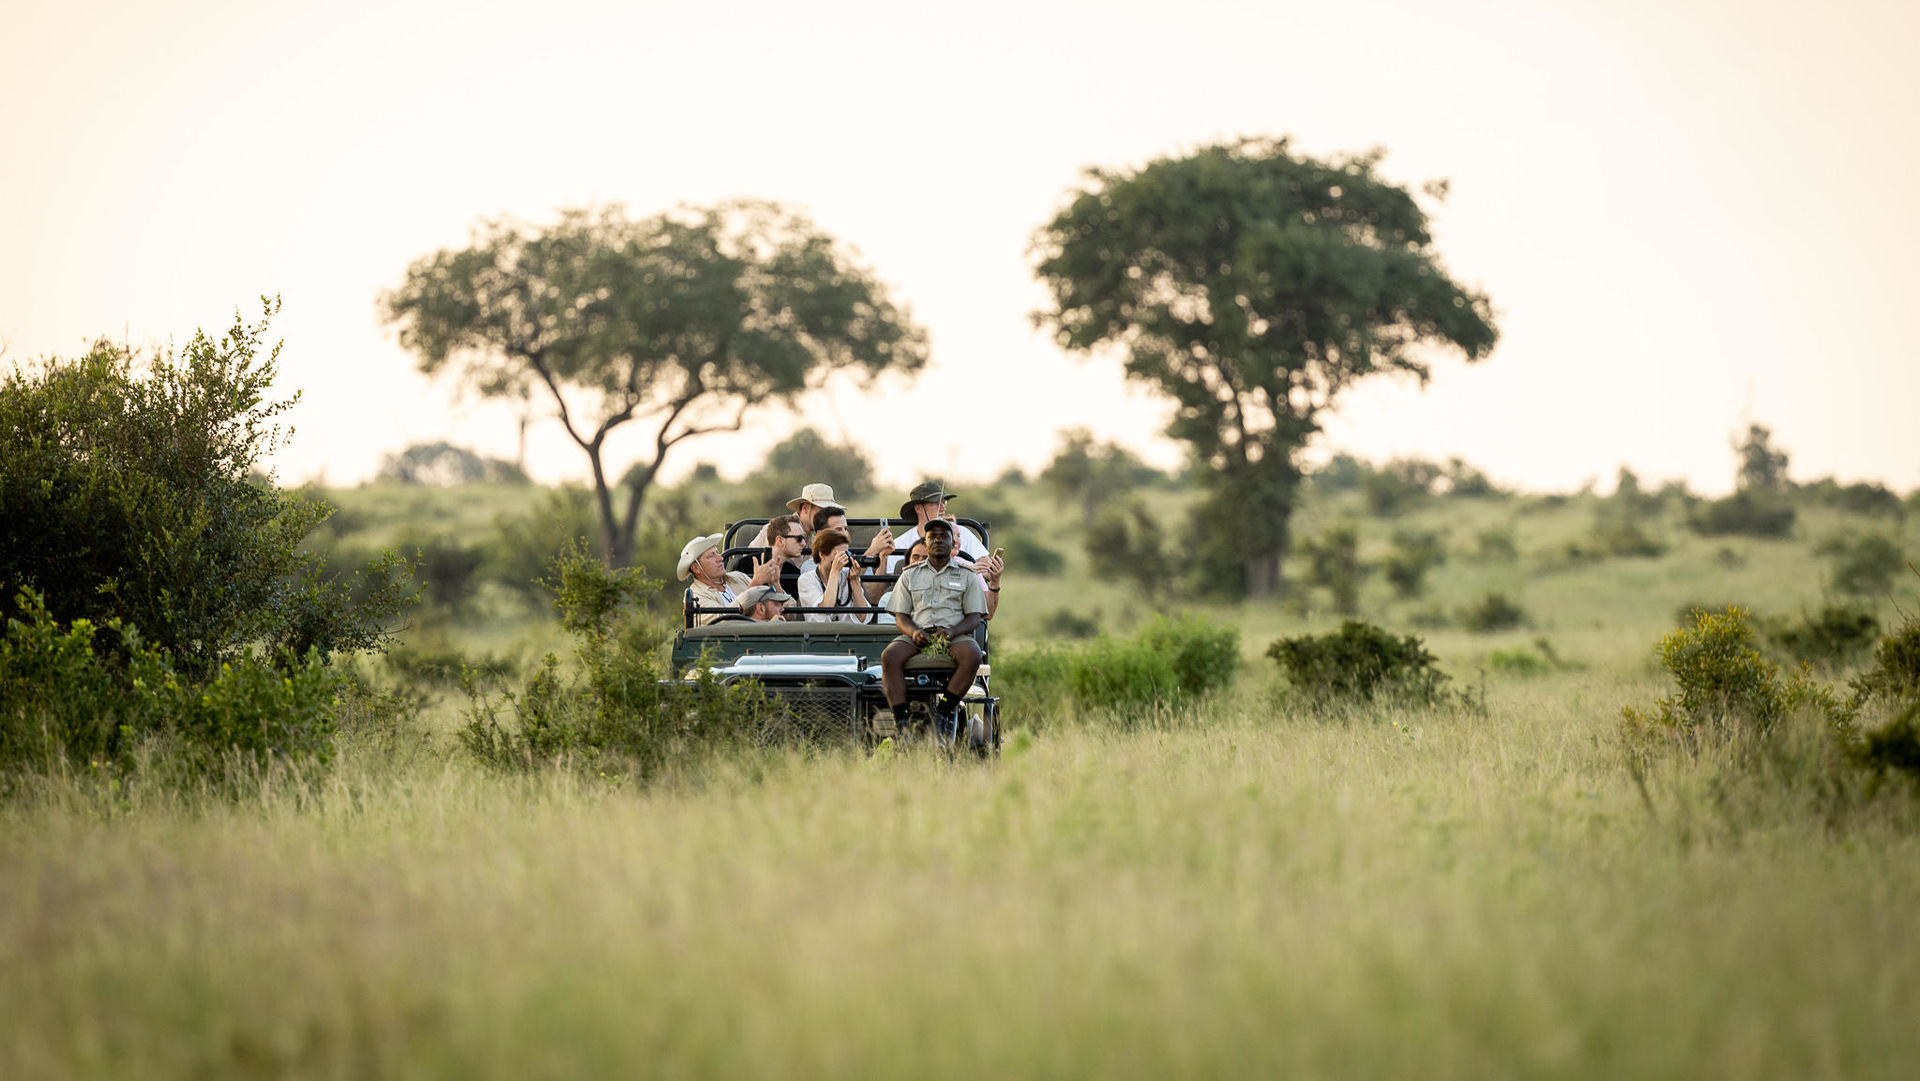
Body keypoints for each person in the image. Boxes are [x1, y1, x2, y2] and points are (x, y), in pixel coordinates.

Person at [881, 517, 986, 733]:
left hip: (953, 635)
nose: (938, 540)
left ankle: (942, 713)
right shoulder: (910, 574)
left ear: (953, 544)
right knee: (889, 656)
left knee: (973, 654)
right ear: (925, 542)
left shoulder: (967, 575)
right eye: (932, 537)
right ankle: (902, 723)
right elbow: (901, 616)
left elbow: (974, 617)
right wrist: (914, 632)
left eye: (943, 536)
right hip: (917, 634)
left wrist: (952, 632)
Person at [886, 481, 987, 573]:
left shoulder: (962, 533)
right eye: (936, 503)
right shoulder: (899, 545)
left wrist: (973, 572)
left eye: (944, 502)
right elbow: (892, 583)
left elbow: (987, 567)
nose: (943, 507)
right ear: (918, 508)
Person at [677, 532, 773, 626]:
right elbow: (723, 621)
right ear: (696, 568)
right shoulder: (696, 595)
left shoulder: (738, 577)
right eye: (711, 556)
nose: (720, 558)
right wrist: (755, 583)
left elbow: (777, 604)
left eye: (717, 553)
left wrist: (775, 583)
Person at [811, 505, 894, 602]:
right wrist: (872, 551)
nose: (845, 534)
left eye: (845, 529)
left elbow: (873, 597)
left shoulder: (851, 556)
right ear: (821, 534)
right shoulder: (812, 565)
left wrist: (883, 556)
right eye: (838, 530)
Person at [796, 528, 875, 623]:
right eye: (839, 555)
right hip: (820, 635)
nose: (843, 559)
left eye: (846, 553)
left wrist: (854, 581)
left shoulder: (846, 574)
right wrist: (835, 571)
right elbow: (827, 608)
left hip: (848, 634)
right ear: (822, 554)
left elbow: (862, 617)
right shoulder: (806, 579)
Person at [744, 482, 844, 551]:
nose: (827, 517)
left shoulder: (814, 539)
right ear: (805, 508)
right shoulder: (779, 529)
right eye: (823, 511)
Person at [760, 512, 807, 605]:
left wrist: (776, 585)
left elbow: (790, 615)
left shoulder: (794, 574)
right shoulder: (745, 565)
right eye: (799, 538)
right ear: (780, 540)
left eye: (804, 538)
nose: (804, 543)